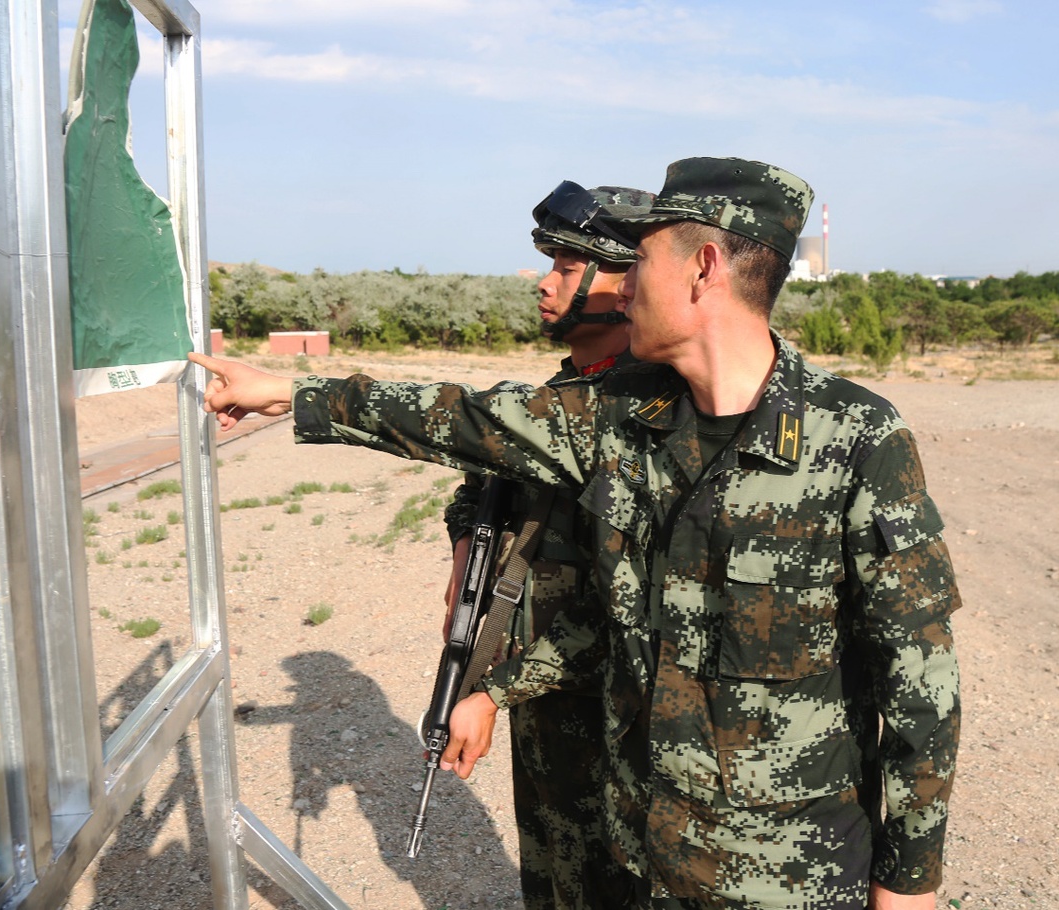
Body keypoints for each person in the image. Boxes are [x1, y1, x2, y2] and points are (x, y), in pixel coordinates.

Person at [188, 157, 961, 910]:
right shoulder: (617, 420)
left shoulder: (856, 437)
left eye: (643, 261)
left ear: (704, 268)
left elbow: (919, 682)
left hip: (782, 875)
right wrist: (291, 393)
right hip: (637, 854)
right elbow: (464, 419)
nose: (626, 290)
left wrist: (909, 879)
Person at [441, 182, 650, 910]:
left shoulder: (644, 415)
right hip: (540, 695)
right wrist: (467, 546)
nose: (543, 281)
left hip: (606, 704)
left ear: (626, 284)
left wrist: (496, 692)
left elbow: (623, 608)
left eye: (566, 265)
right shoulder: (570, 387)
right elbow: (484, 479)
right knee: (552, 869)